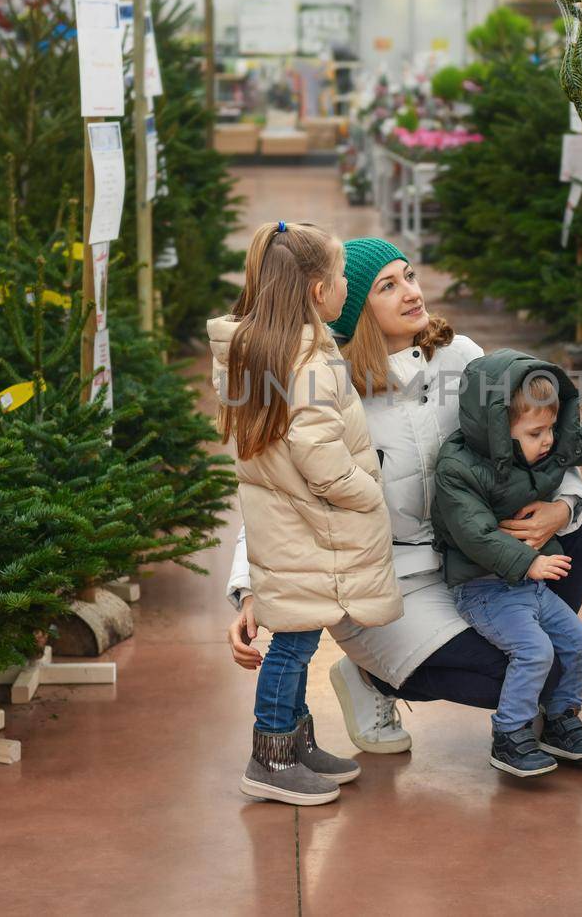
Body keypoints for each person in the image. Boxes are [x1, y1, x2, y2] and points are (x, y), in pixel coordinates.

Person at [226, 238, 582, 754]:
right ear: (355, 309)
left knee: (579, 533)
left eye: (409, 276)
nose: (411, 293)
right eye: (388, 286)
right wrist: (250, 590)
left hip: (475, 557)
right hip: (389, 580)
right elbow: (274, 495)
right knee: (523, 672)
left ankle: (539, 683)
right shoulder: (326, 385)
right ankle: (372, 679)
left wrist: (562, 507)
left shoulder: (463, 358)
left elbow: (541, 434)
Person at [208, 222, 402, 807]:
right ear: (319, 292)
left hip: (285, 522)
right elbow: (319, 456)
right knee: (293, 646)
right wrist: (367, 491)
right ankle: (271, 757)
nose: (347, 286)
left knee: (298, 639)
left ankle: (296, 743)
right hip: (312, 525)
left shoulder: (258, 351)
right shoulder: (312, 360)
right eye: (343, 277)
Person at [433, 353, 582, 777]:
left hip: (525, 583)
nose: (548, 440)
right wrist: (529, 562)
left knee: (576, 640)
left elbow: (578, 440)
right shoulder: (458, 469)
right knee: (534, 651)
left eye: (549, 427)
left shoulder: (537, 447)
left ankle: (559, 718)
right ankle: (510, 734)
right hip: (483, 587)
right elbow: (474, 535)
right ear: (497, 430)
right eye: (536, 432)